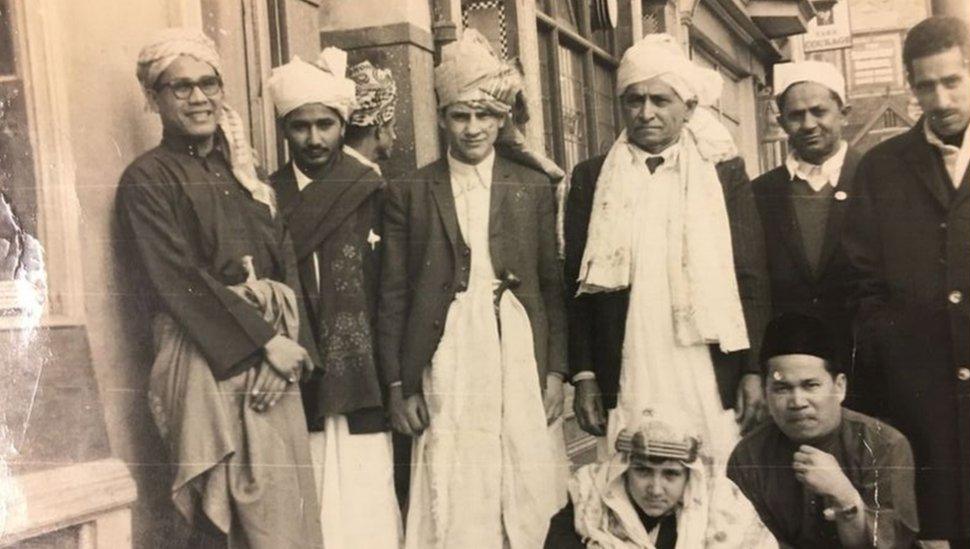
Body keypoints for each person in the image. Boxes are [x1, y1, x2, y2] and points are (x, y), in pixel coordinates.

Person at [118, 28, 321, 548]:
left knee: (282, 516)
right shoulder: (147, 179)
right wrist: (264, 345)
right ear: (153, 98)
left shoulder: (248, 178)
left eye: (207, 83)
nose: (198, 97)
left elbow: (287, 268)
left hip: (273, 365)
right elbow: (176, 278)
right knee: (220, 517)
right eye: (179, 87)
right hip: (206, 361)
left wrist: (291, 350)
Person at [378, 28, 567, 549]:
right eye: (460, 115)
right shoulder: (411, 190)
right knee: (456, 466)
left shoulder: (531, 186)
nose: (473, 127)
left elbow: (551, 285)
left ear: (501, 119)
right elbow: (393, 293)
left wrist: (555, 370)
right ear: (442, 118)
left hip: (516, 347)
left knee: (521, 469)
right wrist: (400, 384)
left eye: (485, 115)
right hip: (446, 348)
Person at [564, 33, 770, 470]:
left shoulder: (722, 174)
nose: (646, 113)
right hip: (628, 356)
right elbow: (575, 286)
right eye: (634, 100)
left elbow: (750, 275)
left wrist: (753, 368)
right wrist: (584, 376)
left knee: (711, 469)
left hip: (703, 359)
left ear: (689, 107)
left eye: (661, 100)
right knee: (632, 473)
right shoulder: (591, 178)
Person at [842, 15, 970, 547]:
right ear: (909, 85)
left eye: (952, 81)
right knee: (933, 528)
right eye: (925, 85)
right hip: (920, 396)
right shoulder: (881, 168)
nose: (939, 99)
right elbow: (862, 279)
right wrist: (895, 355)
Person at [266, 49, 403, 549]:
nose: (315, 138)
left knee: (367, 490)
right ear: (285, 129)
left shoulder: (370, 187)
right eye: (301, 126)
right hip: (299, 368)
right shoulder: (267, 195)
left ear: (343, 124)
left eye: (326, 124)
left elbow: (393, 286)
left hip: (361, 367)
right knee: (308, 487)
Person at [727, 313, 918, 548]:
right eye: (782, 388)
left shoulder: (884, 443)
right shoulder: (748, 457)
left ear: (839, 387)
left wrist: (844, 496)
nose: (797, 402)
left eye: (811, 385)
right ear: (765, 393)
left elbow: (893, 544)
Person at [752, 60, 863, 402]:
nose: (809, 124)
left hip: (865, 362)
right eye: (796, 115)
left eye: (819, 111)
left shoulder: (876, 178)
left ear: (843, 112)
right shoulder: (760, 193)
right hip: (792, 373)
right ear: (781, 120)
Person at [545, 408, 775, 549]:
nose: (655, 489)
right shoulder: (588, 500)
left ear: (689, 475)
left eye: (671, 474)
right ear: (624, 471)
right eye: (643, 472)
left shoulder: (723, 507)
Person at [344, 59, 398, 174]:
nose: (394, 136)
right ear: (380, 130)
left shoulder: (340, 169)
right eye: (393, 127)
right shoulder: (365, 179)